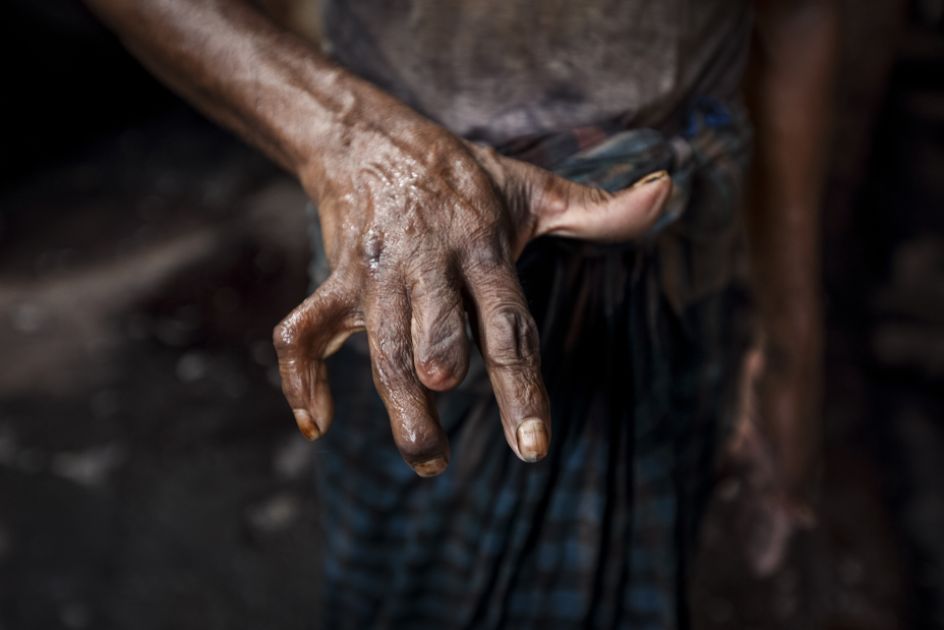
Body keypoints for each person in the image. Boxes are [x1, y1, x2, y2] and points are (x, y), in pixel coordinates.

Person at [85, 0, 838, 627]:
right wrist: (348, 139)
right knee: (413, 585)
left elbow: (800, 12)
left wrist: (793, 343)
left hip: (675, 256)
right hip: (400, 264)